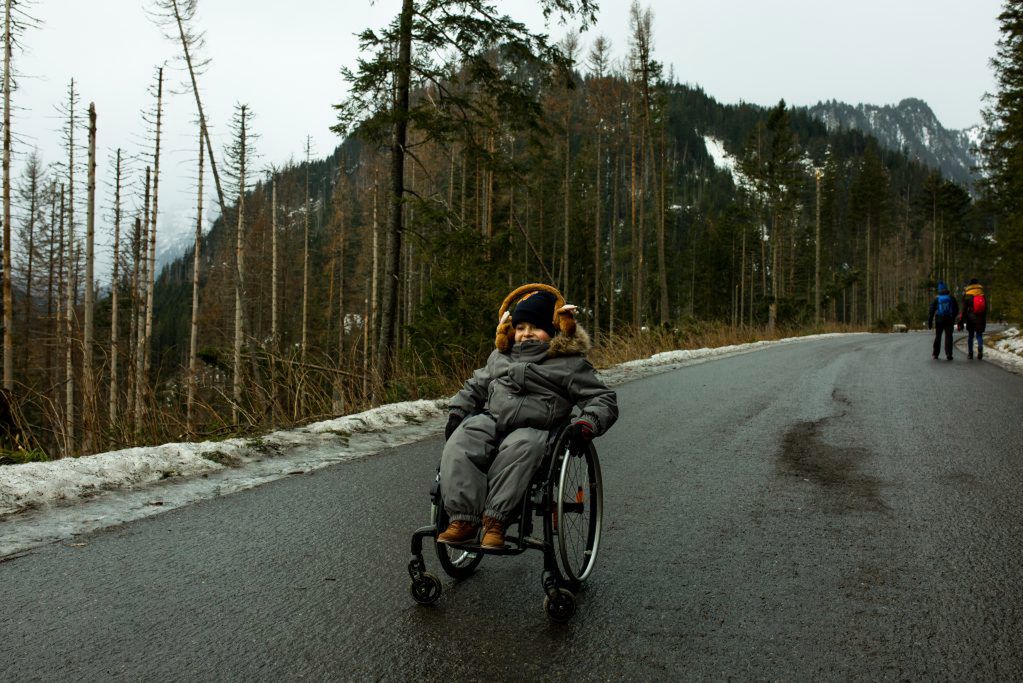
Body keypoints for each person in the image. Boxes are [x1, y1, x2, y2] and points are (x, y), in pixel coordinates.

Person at [437, 284, 619, 549]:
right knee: (461, 442)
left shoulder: (567, 363)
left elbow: (602, 398)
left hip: (536, 427)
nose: (527, 334)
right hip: (492, 419)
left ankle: (494, 521)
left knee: (522, 448)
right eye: (521, 328)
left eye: (535, 327)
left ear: (554, 329)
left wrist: (587, 423)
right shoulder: (500, 357)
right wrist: (458, 410)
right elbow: (474, 386)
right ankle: (463, 519)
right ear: (511, 331)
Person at [928, 281, 959, 361]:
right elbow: (956, 309)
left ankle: (935, 354)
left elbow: (931, 310)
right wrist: (953, 317)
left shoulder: (937, 298)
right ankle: (949, 353)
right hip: (949, 319)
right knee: (949, 336)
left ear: (939, 289)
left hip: (939, 319)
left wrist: (930, 321)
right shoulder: (951, 298)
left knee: (938, 336)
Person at [958, 278, 987, 360]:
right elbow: (985, 308)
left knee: (970, 335)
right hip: (980, 317)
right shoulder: (982, 294)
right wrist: (984, 318)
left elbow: (964, 309)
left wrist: (961, 320)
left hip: (970, 318)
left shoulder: (967, 295)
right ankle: (980, 348)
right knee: (979, 335)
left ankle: (970, 353)